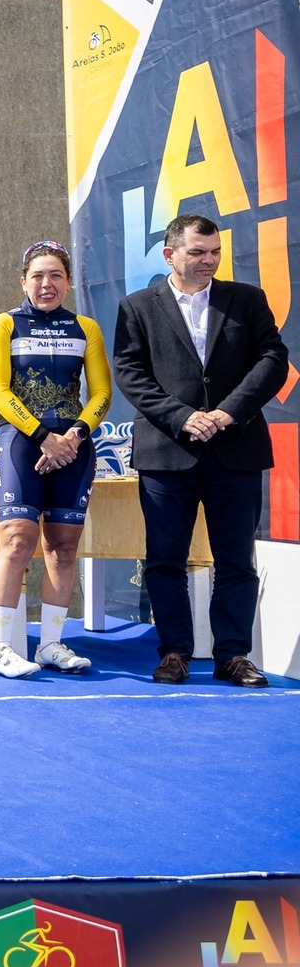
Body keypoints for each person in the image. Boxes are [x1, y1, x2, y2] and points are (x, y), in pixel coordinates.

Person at [113, 213, 291, 686]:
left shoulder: (247, 300)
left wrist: (227, 413)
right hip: (167, 452)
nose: (208, 261)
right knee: (164, 560)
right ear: (170, 254)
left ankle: (233, 655)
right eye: (197, 252)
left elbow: (273, 360)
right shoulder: (137, 307)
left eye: (214, 253)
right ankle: (174, 652)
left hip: (236, 449)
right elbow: (130, 373)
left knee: (236, 560)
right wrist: (181, 416)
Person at [0, 240, 113, 678]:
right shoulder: (4, 324)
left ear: (69, 282)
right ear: (23, 281)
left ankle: (50, 644)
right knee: (17, 541)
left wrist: (73, 436)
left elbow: (101, 394)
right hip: (22, 442)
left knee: (63, 547)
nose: (46, 283)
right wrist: (44, 436)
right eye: (37, 275)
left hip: (73, 446)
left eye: (56, 275)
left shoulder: (86, 328)